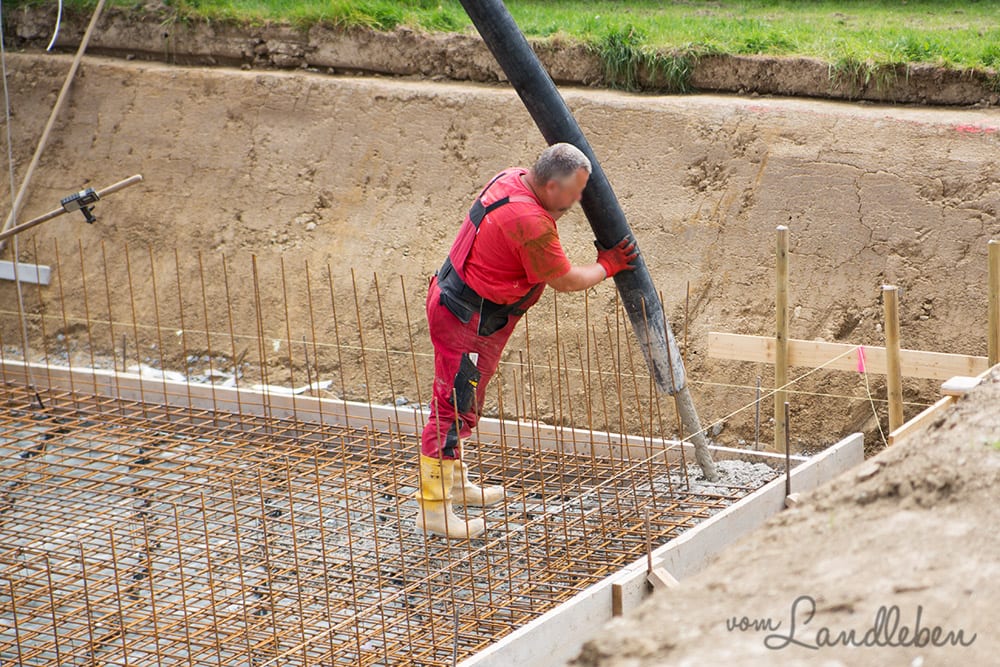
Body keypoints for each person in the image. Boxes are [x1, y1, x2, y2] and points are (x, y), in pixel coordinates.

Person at [416, 143, 639, 539]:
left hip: (463, 308)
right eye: (575, 192)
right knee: (450, 410)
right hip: (466, 319)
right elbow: (565, 281)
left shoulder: (512, 178)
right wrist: (608, 265)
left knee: (462, 404)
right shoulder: (530, 221)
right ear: (552, 186)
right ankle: (434, 510)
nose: (579, 199)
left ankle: (455, 485)